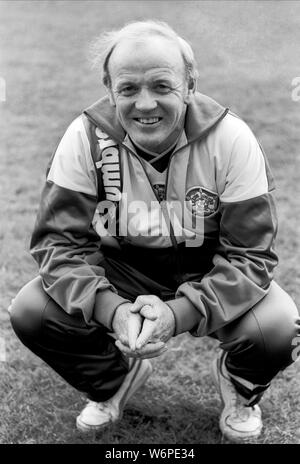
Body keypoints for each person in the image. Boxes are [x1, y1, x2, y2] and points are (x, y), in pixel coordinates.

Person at [9, 20, 300, 443]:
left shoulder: (232, 138)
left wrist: (177, 313)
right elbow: (59, 244)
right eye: (128, 89)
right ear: (109, 89)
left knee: (276, 326)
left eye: (162, 86)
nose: (145, 104)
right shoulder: (85, 136)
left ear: (189, 85)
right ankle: (113, 381)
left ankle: (241, 387)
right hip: (121, 272)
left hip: (207, 270)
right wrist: (113, 309)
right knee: (32, 309)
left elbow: (250, 258)